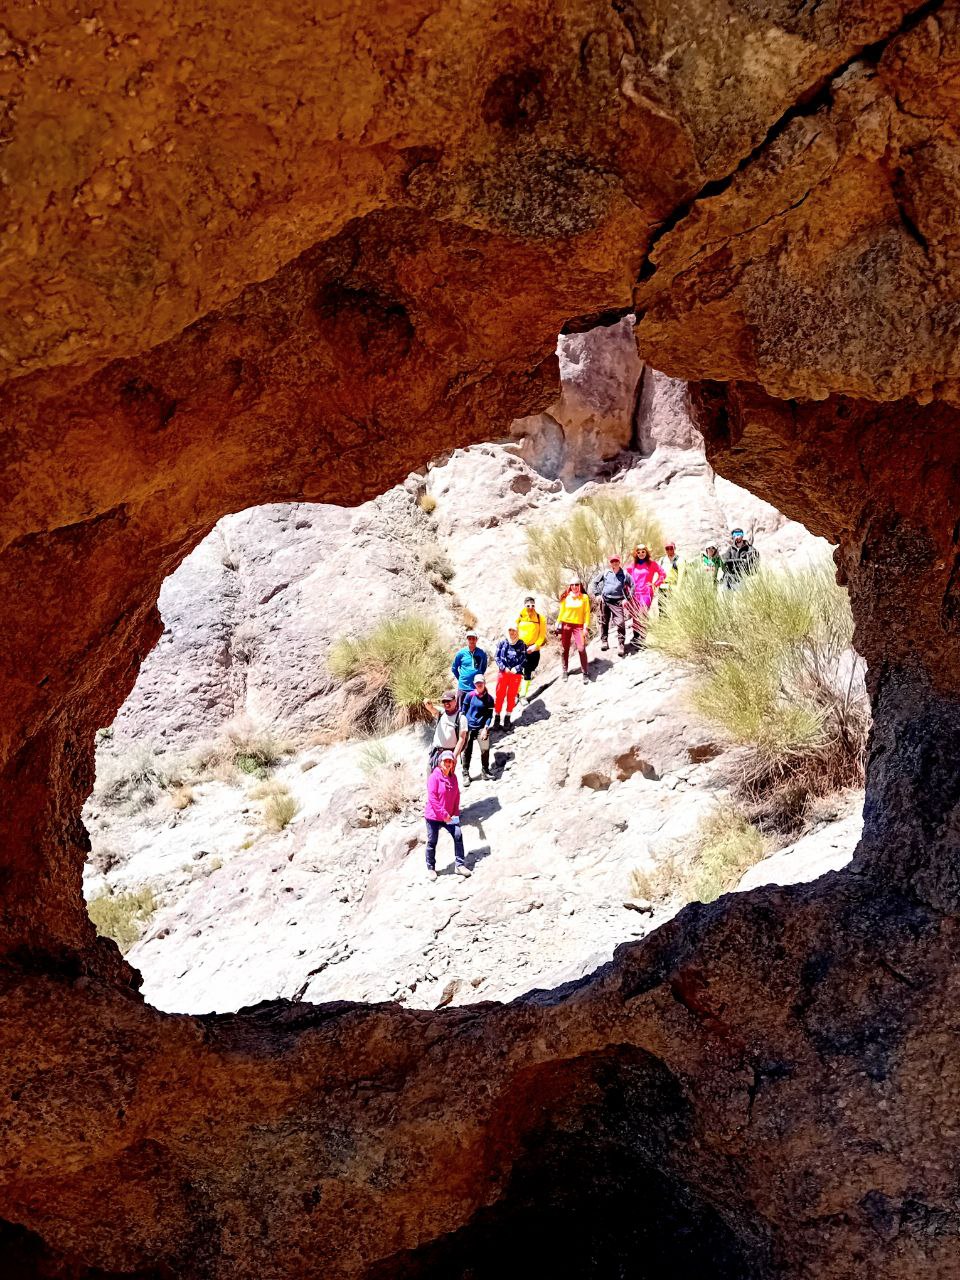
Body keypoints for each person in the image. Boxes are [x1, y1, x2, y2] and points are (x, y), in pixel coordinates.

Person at [424, 750, 470, 882]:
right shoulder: (434, 777)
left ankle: (459, 865)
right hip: (433, 817)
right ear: (440, 762)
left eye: (450, 761)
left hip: (449, 816)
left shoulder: (453, 777)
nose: (448, 764)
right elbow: (432, 798)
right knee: (432, 841)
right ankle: (431, 868)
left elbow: (456, 796)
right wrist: (444, 814)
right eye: (446, 761)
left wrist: (455, 813)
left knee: (458, 834)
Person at [590, 554, 634, 658]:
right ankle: (604, 641)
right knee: (604, 622)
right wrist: (597, 595)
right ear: (610, 563)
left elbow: (632, 585)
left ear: (619, 562)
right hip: (605, 601)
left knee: (621, 623)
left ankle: (621, 645)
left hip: (618, 602)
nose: (615, 563)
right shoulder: (606, 572)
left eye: (616, 561)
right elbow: (594, 582)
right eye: (613, 561)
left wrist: (627, 599)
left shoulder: (624, 574)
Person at [460, 672, 495, 785]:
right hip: (469, 727)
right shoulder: (469, 695)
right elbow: (463, 711)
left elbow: (489, 715)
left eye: (481, 682)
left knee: (485, 748)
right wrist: (463, 726)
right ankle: (465, 774)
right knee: (467, 750)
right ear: (474, 684)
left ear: (484, 683)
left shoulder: (489, 699)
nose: (479, 685)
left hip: (481, 727)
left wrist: (486, 728)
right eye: (477, 683)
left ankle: (485, 771)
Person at [625, 544, 665, 642]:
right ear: (636, 554)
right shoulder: (632, 566)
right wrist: (626, 589)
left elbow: (663, 574)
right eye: (638, 552)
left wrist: (655, 584)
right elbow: (625, 577)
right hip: (635, 593)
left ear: (646, 552)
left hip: (646, 593)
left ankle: (642, 636)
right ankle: (635, 635)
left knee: (642, 612)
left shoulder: (652, 564)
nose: (641, 553)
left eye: (643, 551)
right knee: (634, 613)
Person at [555, 578, 591, 683]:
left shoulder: (584, 597)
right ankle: (564, 670)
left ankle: (585, 672)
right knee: (564, 648)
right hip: (566, 625)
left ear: (580, 585)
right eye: (572, 585)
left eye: (576, 584)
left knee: (581, 648)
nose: (574, 586)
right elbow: (562, 612)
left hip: (578, 626)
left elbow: (587, 613)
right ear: (570, 586)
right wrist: (558, 622)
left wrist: (585, 627)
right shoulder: (565, 597)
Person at [423, 689, 467, 773]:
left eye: (449, 701)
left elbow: (462, 739)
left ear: (455, 701)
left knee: (446, 778)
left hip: (448, 755)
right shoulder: (441, 712)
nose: (446, 703)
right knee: (431, 775)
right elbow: (431, 708)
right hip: (435, 752)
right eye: (444, 701)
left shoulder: (461, 718)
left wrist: (454, 756)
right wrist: (427, 703)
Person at [493, 625, 527, 730]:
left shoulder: (521, 644)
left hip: (515, 674)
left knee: (511, 696)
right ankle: (497, 717)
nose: (512, 632)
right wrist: (504, 668)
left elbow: (524, 659)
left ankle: (507, 717)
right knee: (499, 695)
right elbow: (497, 657)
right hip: (503, 673)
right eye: (510, 630)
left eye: (514, 630)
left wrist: (516, 668)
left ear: (517, 631)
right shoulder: (503, 642)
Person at [516, 596, 547, 702]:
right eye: (528, 605)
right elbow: (514, 632)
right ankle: (519, 695)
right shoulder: (520, 617)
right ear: (524, 605)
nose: (530, 608)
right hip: (521, 648)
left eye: (532, 605)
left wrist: (535, 646)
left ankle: (521, 694)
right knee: (519, 671)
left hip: (534, 649)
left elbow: (542, 635)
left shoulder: (540, 618)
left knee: (530, 669)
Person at [451, 630, 488, 707]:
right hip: (463, 688)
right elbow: (454, 668)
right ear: (467, 640)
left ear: (476, 640)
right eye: (469, 638)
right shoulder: (461, 653)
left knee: (476, 710)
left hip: (476, 688)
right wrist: (460, 679)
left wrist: (478, 677)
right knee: (461, 710)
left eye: (473, 638)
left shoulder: (482, 653)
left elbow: (483, 668)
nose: (471, 640)